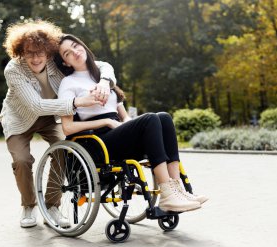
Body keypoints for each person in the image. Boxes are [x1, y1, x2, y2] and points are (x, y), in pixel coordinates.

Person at [56, 34, 208, 213]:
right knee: (150, 118)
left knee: (164, 118)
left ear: (83, 45)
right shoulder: (68, 83)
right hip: (96, 140)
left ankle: (178, 190)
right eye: (67, 53)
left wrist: (131, 124)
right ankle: (167, 194)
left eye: (76, 46)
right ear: (66, 63)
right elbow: (67, 128)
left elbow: (125, 117)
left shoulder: (103, 75)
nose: (75, 52)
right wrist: (106, 121)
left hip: (118, 131)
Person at [0, 21, 117, 228]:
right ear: (20, 53)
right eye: (29, 53)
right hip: (20, 118)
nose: (35, 58)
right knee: (22, 160)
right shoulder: (13, 69)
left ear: (47, 51)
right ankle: (28, 205)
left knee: (66, 150)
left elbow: (98, 64)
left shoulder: (56, 61)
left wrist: (105, 81)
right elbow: (35, 106)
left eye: (40, 53)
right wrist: (77, 102)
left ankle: (52, 205)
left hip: (50, 116)